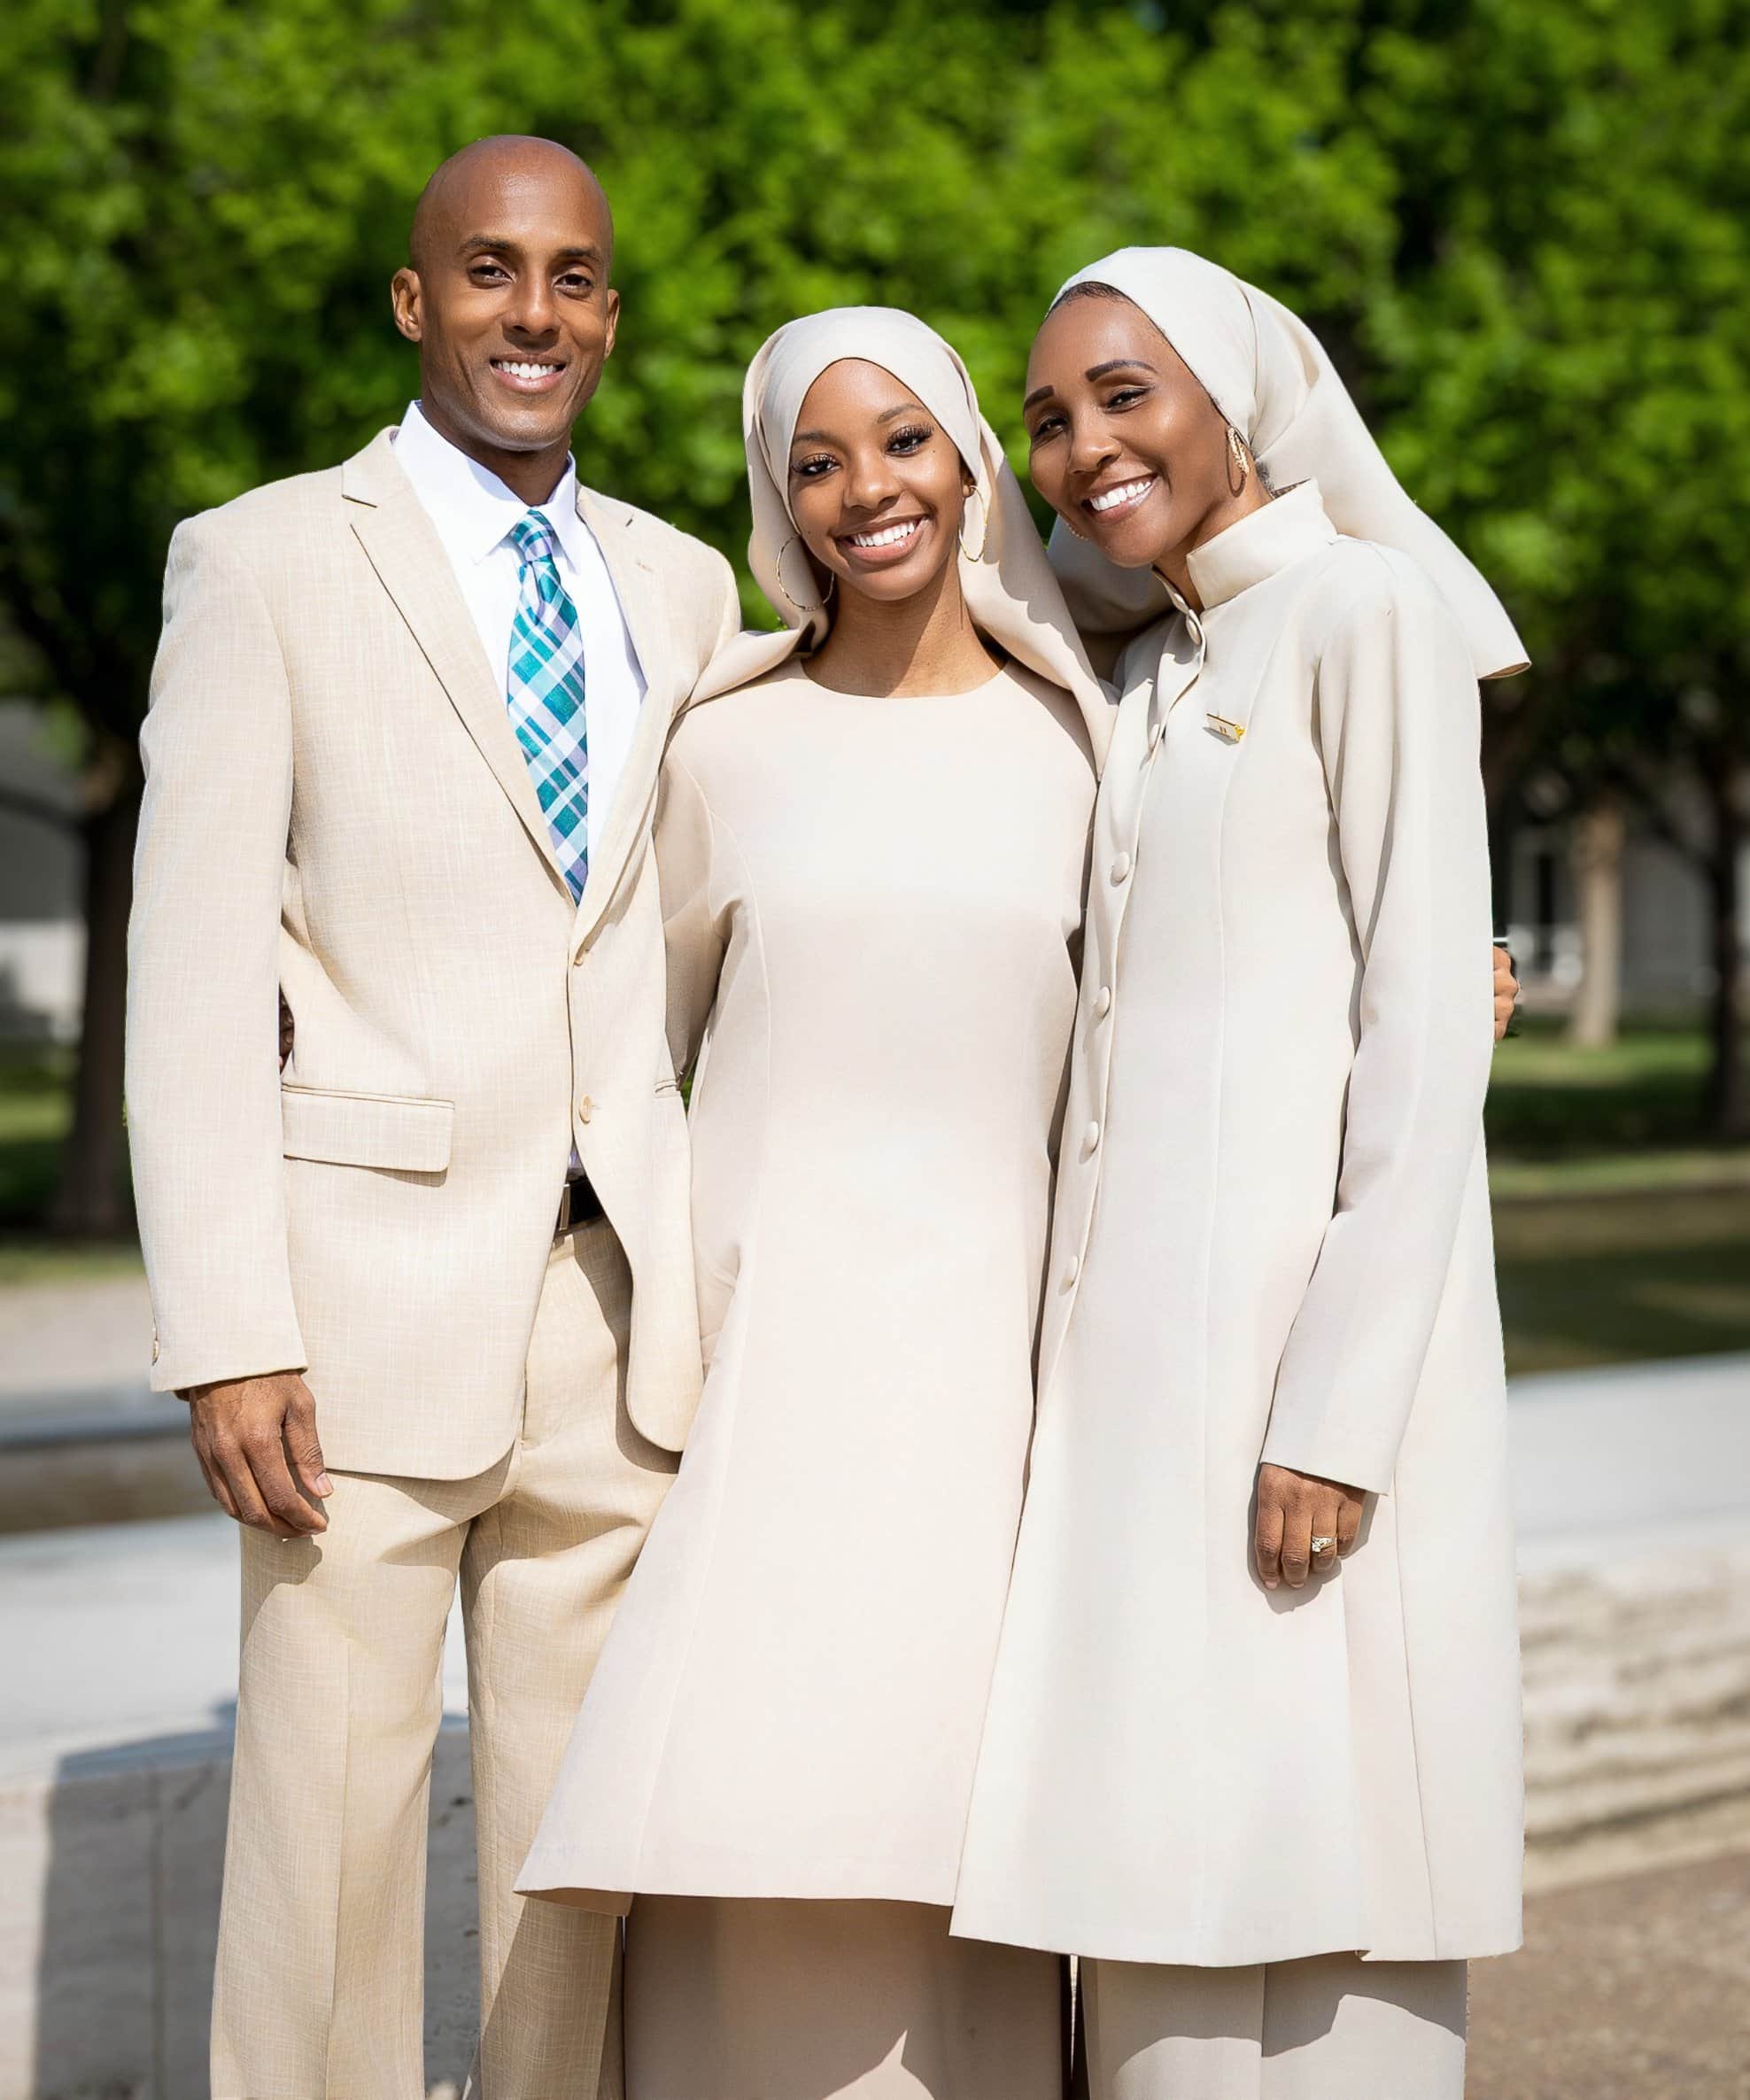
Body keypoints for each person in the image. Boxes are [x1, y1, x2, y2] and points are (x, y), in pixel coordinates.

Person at [125, 136, 738, 2099]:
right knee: (327, 1849)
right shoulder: (266, 557)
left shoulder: (689, 582)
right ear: (417, 300)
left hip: (612, 1307)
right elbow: (193, 964)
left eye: (569, 278)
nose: (531, 314)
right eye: (489, 272)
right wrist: (230, 1329)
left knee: (584, 1863)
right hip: (349, 1305)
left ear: (610, 314)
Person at [951, 247, 1528, 2099]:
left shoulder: (1364, 615)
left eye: (1125, 393)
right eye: (1045, 418)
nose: (1081, 445)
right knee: (1157, 1901)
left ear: (1237, 398)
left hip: (1310, 1394)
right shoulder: (1147, 674)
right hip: (1136, 1422)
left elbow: (1428, 1040)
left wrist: (1335, 1415)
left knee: (1339, 1907)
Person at [516, 307, 1112, 2097]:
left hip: (995, 1398)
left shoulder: (1080, 746)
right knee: (746, 1833)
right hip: (765, 1388)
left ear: (970, 461)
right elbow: (623, 1048)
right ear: (778, 502)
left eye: (905, 440)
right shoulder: (720, 746)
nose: (870, 490)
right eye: (818, 459)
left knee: (962, 1868)